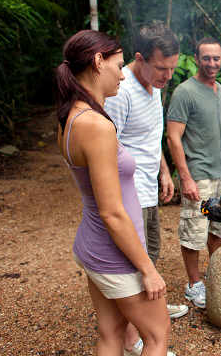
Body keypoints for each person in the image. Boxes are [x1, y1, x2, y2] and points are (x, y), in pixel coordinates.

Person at [55, 30, 171, 356]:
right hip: (113, 253)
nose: (122, 74)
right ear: (97, 62)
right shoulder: (95, 125)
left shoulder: (71, 116)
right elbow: (112, 211)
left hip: (93, 246)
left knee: (111, 333)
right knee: (158, 333)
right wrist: (148, 269)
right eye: (118, 65)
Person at [103, 22, 186, 356]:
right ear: (139, 58)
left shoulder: (156, 85)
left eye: (172, 69)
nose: (167, 76)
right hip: (128, 196)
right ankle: (132, 341)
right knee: (132, 268)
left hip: (149, 190)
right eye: (162, 68)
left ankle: (144, 322)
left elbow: (150, 138)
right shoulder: (120, 92)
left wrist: (164, 172)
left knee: (148, 257)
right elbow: (106, 150)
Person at [166, 37, 221, 308]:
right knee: (194, 230)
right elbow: (173, 138)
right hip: (199, 177)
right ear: (197, 58)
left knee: (217, 226)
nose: (212, 63)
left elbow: (220, 132)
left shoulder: (219, 90)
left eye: (216, 58)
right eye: (206, 58)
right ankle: (193, 285)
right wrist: (186, 178)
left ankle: (213, 277)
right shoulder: (185, 92)